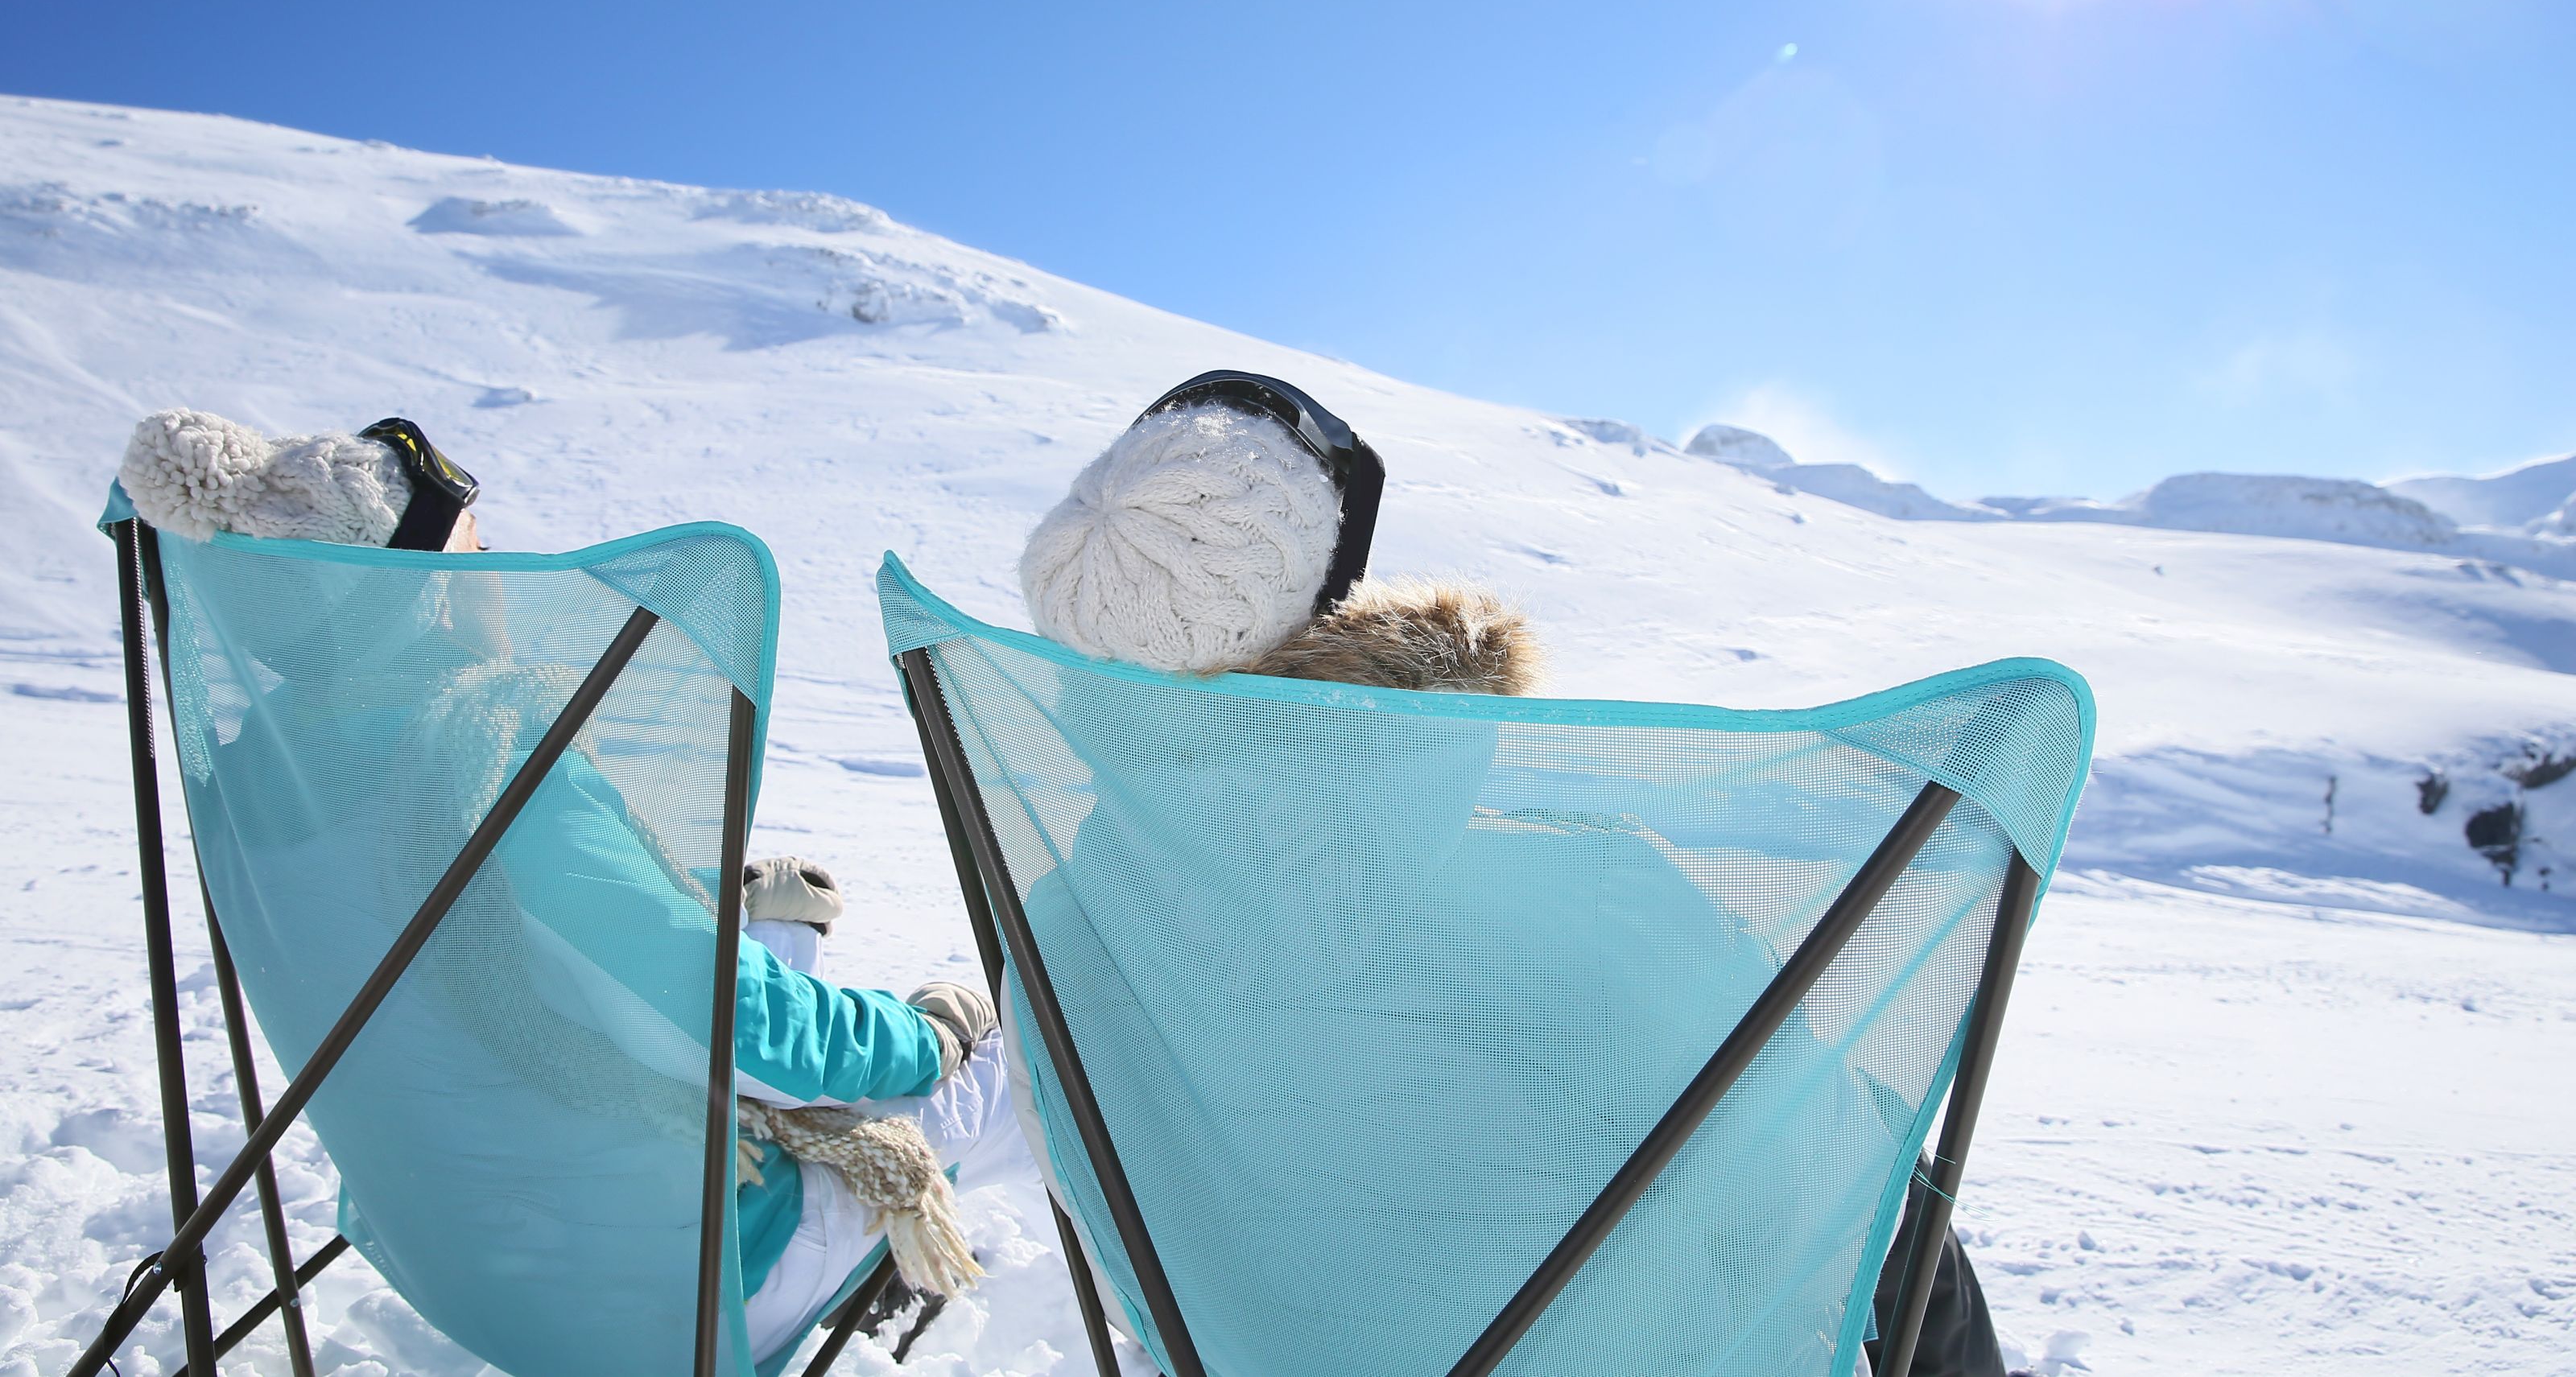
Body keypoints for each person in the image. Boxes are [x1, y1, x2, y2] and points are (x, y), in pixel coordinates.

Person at [1015, 371, 2010, 1377]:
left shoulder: (1055, 942)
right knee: (1887, 1173)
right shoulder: (1581, 892)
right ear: (1329, 602)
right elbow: (1822, 1210)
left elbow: (1127, 1273)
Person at [118, 407, 1015, 1365]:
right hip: (661, 1284)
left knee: (765, 949)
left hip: (461, 1262)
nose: (496, 579)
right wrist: (933, 1034)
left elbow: (504, 963)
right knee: (1043, 1061)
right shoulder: (479, 770)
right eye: (477, 554)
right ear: (426, 596)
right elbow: (737, 1030)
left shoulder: (261, 776)